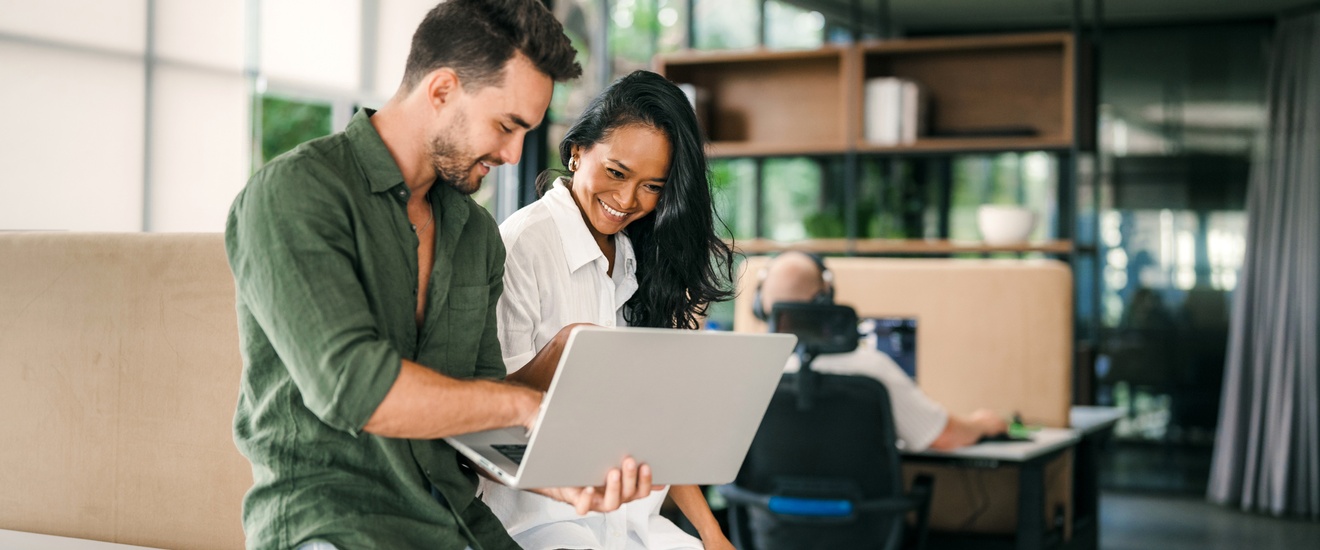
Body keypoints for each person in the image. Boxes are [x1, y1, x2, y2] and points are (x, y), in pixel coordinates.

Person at [225, 3, 658, 549]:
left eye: (526, 131)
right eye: (506, 126)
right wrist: (524, 406)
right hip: (332, 523)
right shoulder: (296, 194)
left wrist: (570, 477)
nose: (513, 154)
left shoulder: (475, 235)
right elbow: (354, 387)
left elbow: (478, 410)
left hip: (455, 525)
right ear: (442, 90)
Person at [481, 70, 737, 549]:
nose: (627, 200)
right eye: (617, 173)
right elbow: (493, 412)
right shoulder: (522, 245)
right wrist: (567, 350)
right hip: (542, 520)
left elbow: (656, 427)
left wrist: (710, 532)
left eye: (652, 186)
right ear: (577, 151)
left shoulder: (634, 256)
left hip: (630, 522)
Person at [756, 251, 1008, 451]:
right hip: (859, 515)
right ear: (825, 298)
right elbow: (945, 437)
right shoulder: (871, 370)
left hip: (765, 514)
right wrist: (981, 424)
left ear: (761, 306)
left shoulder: (755, 372)